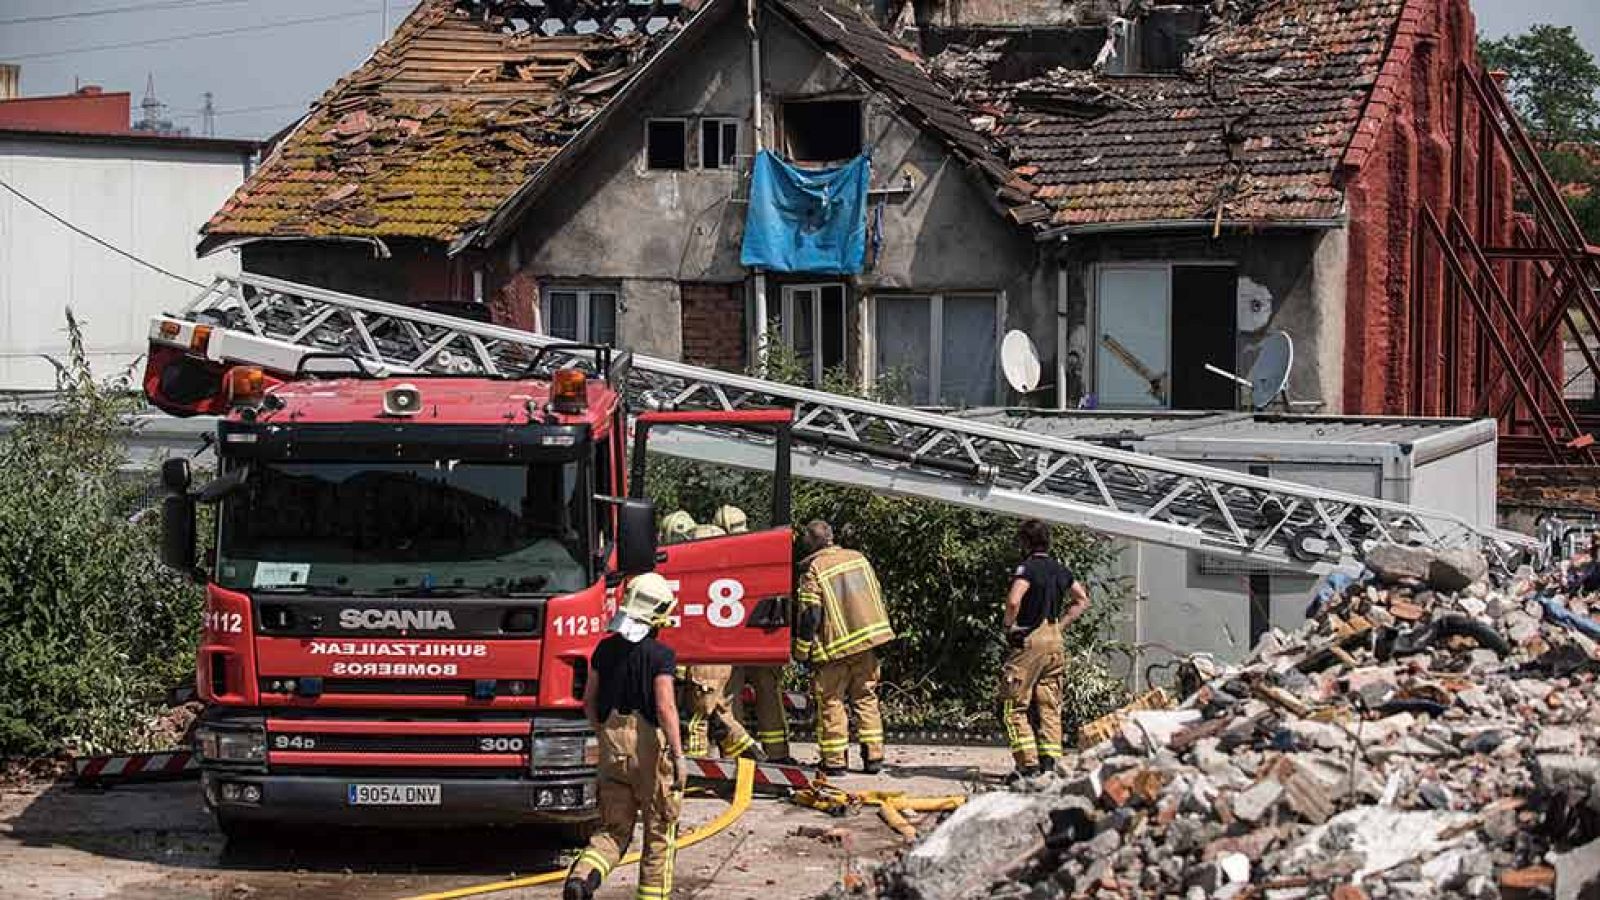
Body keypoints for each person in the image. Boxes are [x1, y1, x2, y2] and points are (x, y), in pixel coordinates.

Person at [564, 572, 685, 900]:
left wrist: (603, 734)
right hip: (649, 756)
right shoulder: (660, 655)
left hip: (612, 751)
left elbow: (589, 701)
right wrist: (678, 756)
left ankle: (582, 879)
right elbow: (665, 707)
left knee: (613, 831)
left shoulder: (604, 650)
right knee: (659, 833)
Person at [794, 520, 894, 776]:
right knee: (866, 698)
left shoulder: (814, 569)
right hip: (867, 643)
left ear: (811, 541)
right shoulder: (858, 558)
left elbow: (812, 614)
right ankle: (874, 758)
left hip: (835, 649)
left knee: (831, 702)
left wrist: (802, 651)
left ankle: (835, 762)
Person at [999, 518, 1090, 781]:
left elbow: (1014, 600)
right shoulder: (1060, 570)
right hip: (1054, 639)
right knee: (1049, 704)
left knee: (1013, 705)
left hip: (1031, 639)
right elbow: (1082, 599)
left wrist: (1009, 627)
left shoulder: (1026, 568)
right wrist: (1061, 626)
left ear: (1025, 542)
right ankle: (1050, 764)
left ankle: (1027, 765)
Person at [716, 505, 794, 761]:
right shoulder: (760, 550)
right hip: (762, 634)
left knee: (730, 697)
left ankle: (738, 753)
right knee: (768, 691)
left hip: (729, 640)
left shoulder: (718, 555)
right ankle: (777, 752)